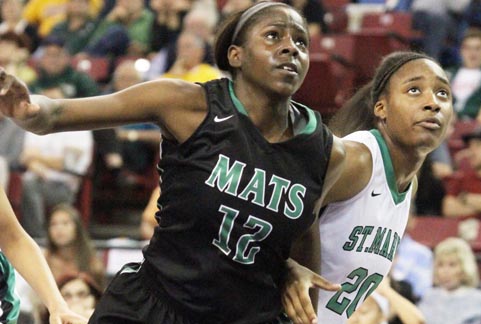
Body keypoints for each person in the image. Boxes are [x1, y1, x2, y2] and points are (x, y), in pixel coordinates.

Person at [0, 2, 346, 323]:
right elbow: (56, 114)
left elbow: (305, 234)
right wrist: (29, 110)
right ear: (235, 55)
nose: (290, 48)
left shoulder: (325, 149)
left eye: (301, 42)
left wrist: (290, 269)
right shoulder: (186, 104)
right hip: (155, 306)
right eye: (273, 36)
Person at [284, 51, 453, 323]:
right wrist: (286, 266)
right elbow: (270, 201)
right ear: (381, 108)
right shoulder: (358, 159)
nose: (432, 103)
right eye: (414, 90)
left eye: (442, 93)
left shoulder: (409, 185)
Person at [0, 186, 88, 323]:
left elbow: (13, 238)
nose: (60, 229)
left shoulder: (90, 260)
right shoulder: (46, 256)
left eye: (65, 223)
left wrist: (57, 306)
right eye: (55, 224)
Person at [417, 237, 481, 324]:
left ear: (465, 267)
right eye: (440, 265)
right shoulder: (428, 297)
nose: (445, 271)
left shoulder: (480, 300)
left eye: (452, 265)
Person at [44, 204, 105, 286]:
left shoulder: (93, 264)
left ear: (77, 228)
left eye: (65, 223)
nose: (59, 228)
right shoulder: (43, 260)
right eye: (53, 224)